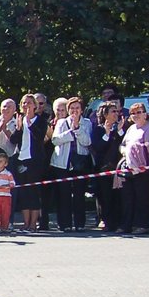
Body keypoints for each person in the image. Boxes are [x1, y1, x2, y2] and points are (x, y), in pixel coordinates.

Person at [49, 97, 90, 231]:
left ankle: (79, 224)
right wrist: (70, 132)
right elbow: (55, 140)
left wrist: (77, 129)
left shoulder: (87, 123)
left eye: (77, 108)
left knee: (79, 194)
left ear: (82, 110)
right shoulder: (61, 123)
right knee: (64, 195)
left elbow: (87, 141)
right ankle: (65, 223)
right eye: (72, 108)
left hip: (80, 163)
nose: (74, 111)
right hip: (63, 163)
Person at [118, 100, 149, 235]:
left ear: (145, 114)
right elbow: (122, 145)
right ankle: (126, 225)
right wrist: (126, 151)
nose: (136, 115)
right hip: (129, 167)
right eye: (133, 113)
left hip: (145, 167)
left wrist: (135, 149)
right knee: (128, 196)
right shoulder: (131, 129)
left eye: (139, 112)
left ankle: (142, 224)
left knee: (143, 196)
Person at [13, 94, 50, 233]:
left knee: (33, 193)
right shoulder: (19, 120)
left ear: (35, 106)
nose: (26, 105)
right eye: (24, 103)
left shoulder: (40, 120)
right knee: (23, 193)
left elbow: (40, 137)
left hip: (35, 161)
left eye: (29, 103)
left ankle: (33, 224)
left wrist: (29, 123)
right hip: (21, 159)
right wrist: (18, 128)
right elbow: (14, 140)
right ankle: (25, 223)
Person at [91, 102, 125, 233]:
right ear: (105, 114)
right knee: (105, 197)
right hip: (103, 168)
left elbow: (122, 143)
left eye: (117, 111)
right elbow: (98, 147)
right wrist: (107, 133)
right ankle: (106, 221)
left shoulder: (120, 128)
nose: (116, 114)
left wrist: (120, 130)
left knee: (118, 196)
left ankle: (118, 222)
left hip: (118, 167)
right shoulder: (98, 129)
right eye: (113, 112)